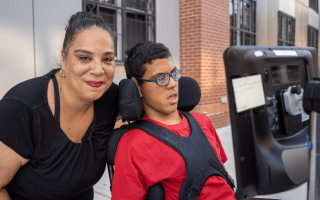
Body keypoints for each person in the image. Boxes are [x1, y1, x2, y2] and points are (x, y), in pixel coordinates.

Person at [0, 12, 119, 200]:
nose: (98, 70)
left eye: (107, 59)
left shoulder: (111, 98)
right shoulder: (22, 109)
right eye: (84, 58)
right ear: (64, 58)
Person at [111, 41, 236, 200]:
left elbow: (220, 178)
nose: (172, 84)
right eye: (161, 78)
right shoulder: (133, 146)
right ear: (137, 86)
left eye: (174, 74)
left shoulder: (203, 122)